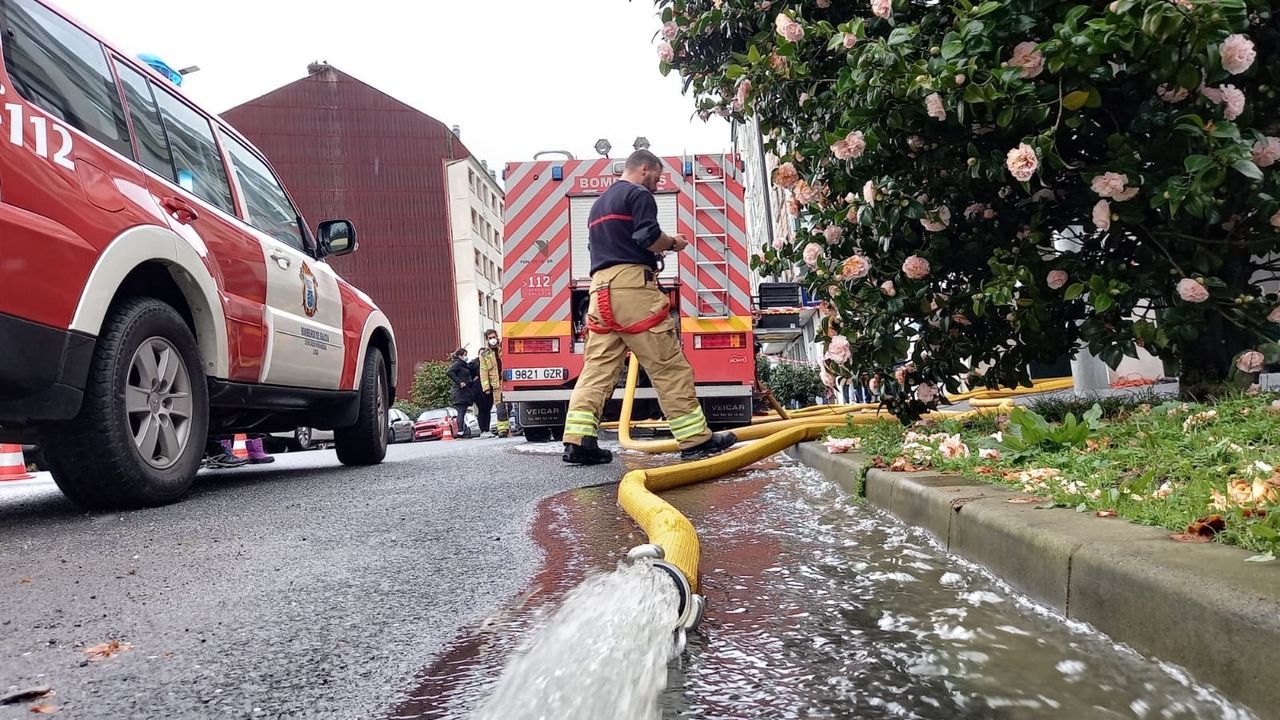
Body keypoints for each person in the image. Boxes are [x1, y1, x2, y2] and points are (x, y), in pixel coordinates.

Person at [562, 149, 737, 465]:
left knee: (597, 369)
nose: (657, 184)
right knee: (668, 365)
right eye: (657, 176)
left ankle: (578, 442)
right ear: (644, 168)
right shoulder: (638, 194)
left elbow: (601, 246)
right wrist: (673, 243)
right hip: (632, 289)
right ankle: (695, 441)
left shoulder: (599, 204)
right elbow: (647, 236)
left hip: (598, 290)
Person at [478, 328, 507, 438]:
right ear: (487, 339)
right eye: (490, 338)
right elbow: (483, 371)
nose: (493, 339)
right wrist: (486, 387)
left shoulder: (504, 348)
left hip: (508, 381)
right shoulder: (484, 355)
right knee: (500, 408)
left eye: (494, 337)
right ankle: (503, 429)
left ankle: (518, 428)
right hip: (497, 384)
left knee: (513, 407)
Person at [448, 348, 474, 439]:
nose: (466, 357)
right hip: (460, 391)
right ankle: (460, 431)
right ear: (460, 355)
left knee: (463, 411)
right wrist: (459, 382)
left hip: (465, 391)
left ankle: (463, 430)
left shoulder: (463, 364)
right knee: (461, 411)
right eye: (465, 355)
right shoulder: (457, 363)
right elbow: (449, 372)